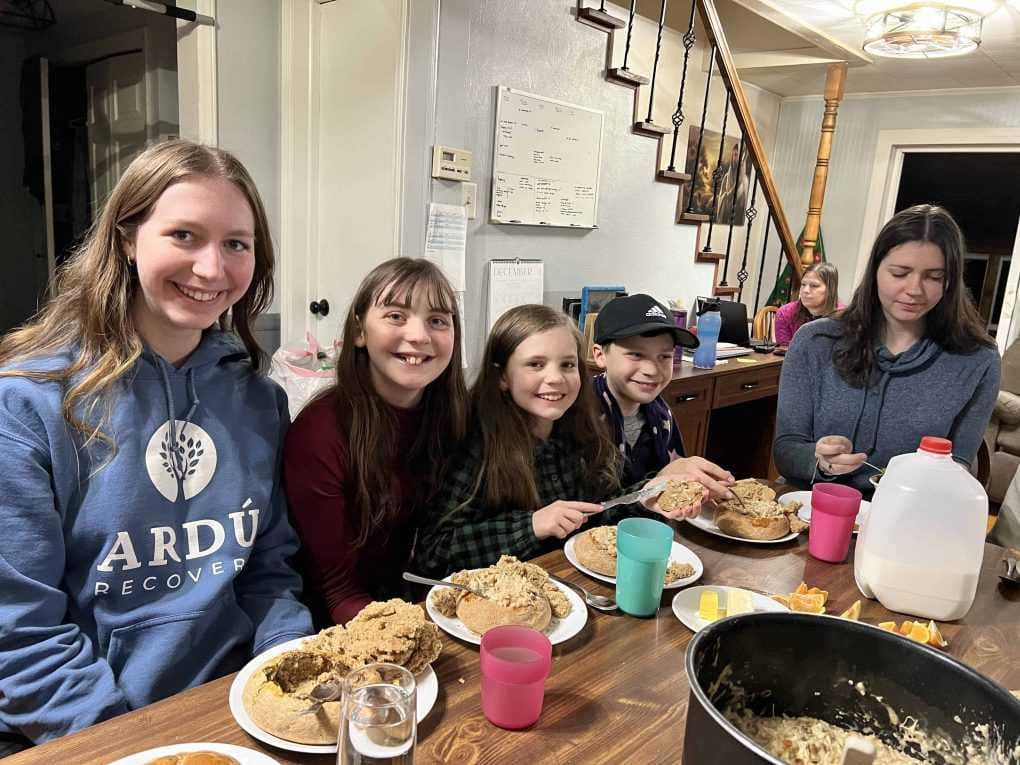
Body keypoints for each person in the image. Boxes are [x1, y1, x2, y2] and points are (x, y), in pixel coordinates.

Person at [0, 140, 313, 748]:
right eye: (184, 235)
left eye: (236, 244)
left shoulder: (258, 399)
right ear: (126, 238)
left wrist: (291, 675)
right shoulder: (26, 404)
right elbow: (20, 634)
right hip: (93, 727)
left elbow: (269, 574)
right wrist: (131, 743)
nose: (212, 270)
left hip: (236, 708)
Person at [413, 304, 698, 578]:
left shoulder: (583, 434)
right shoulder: (475, 445)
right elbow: (434, 553)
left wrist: (646, 496)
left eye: (567, 365)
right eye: (535, 364)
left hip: (571, 590)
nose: (555, 378)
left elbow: (599, 513)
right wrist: (532, 525)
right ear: (502, 376)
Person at [284, 258, 467, 625]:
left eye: (437, 321)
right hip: (339, 625)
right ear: (359, 332)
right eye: (396, 316)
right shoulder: (320, 432)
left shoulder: (454, 417)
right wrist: (416, 628)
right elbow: (337, 592)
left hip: (424, 603)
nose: (418, 336)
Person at [774, 204, 1000, 496]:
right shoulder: (815, 341)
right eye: (900, 272)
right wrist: (818, 461)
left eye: (933, 277)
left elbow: (957, 467)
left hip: (904, 521)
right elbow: (786, 449)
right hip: (808, 510)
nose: (914, 289)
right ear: (876, 270)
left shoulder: (978, 360)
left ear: (951, 282)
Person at [590, 293, 735, 495]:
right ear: (600, 355)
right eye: (636, 354)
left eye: (664, 356)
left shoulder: (661, 414)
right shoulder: (580, 417)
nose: (652, 370)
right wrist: (659, 482)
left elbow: (674, 485)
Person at [773, 262, 843, 346]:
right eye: (803, 284)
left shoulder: (845, 317)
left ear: (830, 289)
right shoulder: (784, 313)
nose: (805, 290)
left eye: (814, 285)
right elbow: (783, 354)